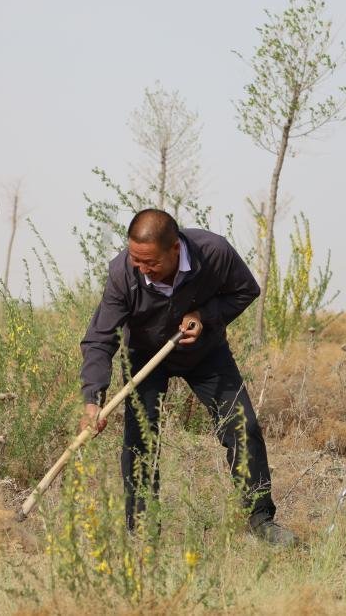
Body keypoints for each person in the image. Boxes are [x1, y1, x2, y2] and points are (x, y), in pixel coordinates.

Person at [79, 208, 296, 546]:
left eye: (150, 262)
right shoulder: (124, 272)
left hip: (205, 352)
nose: (142, 268)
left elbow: (244, 291)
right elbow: (99, 339)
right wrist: (93, 399)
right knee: (140, 441)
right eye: (136, 259)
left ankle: (261, 519)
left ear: (175, 249)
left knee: (243, 426)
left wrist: (204, 315)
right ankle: (143, 530)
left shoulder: (214, 252)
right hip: (146, 355)